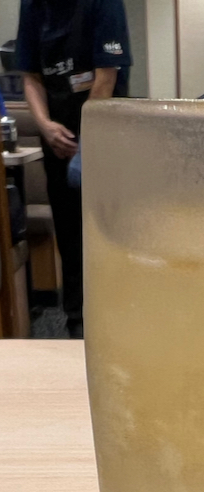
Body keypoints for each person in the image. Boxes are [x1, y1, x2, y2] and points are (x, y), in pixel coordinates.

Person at [15, 0, 131, 337]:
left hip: (103, 132)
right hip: (57, 138)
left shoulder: (104, 4)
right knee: (69, 234)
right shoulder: (32, 5)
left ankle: (116, 319)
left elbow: (105, 78)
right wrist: (45, 126)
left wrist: (84, 138)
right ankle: (76, 321)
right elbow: (31, 77)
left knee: (107, 231)